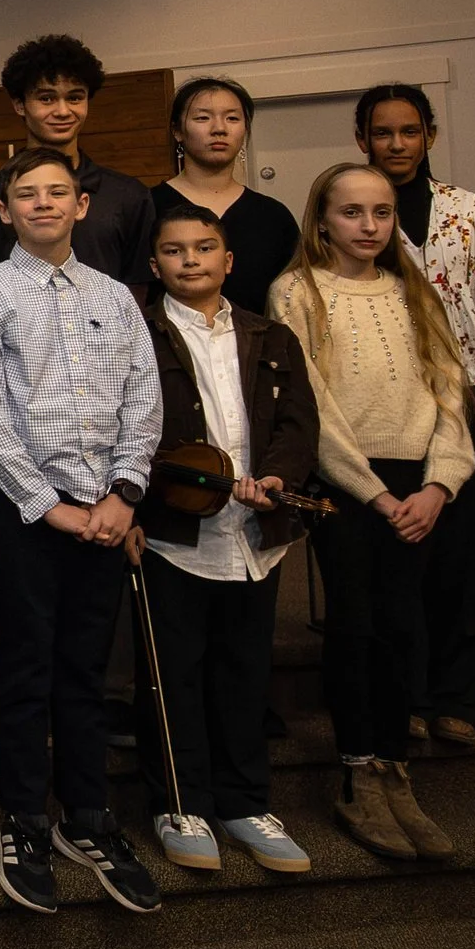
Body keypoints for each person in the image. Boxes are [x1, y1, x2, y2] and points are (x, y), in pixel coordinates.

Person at [0, 146, 164, 917]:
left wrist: (124, 494)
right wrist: (49, 505)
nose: (43, 204)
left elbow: (143, 399)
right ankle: (22, 818)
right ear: (5, 211)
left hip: (105, 511)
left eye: (58, 193)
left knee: (85, 669)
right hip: (27, 513)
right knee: (26, 664)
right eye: (27, 195)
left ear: (80, 206)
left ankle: (89, 817)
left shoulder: (115, 295)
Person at [269, 163, 474, 864]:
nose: (368, 226)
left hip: (418, 485)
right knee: (356, 623)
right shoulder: (296, 291)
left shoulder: (414, 291)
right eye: (352, 212)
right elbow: (310, 403)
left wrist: (439, 485)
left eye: (381, 213)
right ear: (322, 219)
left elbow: (451, 393)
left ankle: (395, 767)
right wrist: (375, 493)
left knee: (405, 623)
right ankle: (357, 772)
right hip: (348, 485)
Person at [133, 205, 320, 876]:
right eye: (175, 250)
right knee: (173, 675)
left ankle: (245, 801)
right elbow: (132, 432)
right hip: (175, 536)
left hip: (254, 536)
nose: (190, 260)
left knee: (245, 672)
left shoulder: (271, 334)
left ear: (229, 260)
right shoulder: (140, 335)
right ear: (155, 266)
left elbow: (299, 423)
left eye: (204, 247)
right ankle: (180, 802)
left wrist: (277, 475)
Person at [356, 83, 475, 747]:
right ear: (363, 139)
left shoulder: (464, 210)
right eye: (383, 133)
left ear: (430, 137)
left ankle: (458, 694)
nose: (397, 144)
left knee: (457, 551)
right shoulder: (356, 210)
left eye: (410, 131)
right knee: (399, 552)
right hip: (386, 400)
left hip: (462, 398)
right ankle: (408, 694)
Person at [0, 35, 155, 288]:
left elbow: (138, 295)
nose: (63, 111)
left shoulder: (128, 196)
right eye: (46, 98)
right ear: (20, 105)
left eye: (74, 98)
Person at [151, 77, 296, 315]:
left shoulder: (273, 216)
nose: (219, 128)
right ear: (177, 130)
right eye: (202, 118)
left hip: (258, 347)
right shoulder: (146, 206)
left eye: (232, 118)